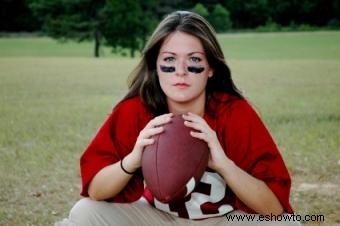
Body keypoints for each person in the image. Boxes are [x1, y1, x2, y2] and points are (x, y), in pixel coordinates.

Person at [56, 11, 301, 226]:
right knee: (85, 213)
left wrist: (223, 165)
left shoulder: (233, 113)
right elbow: (96, 192)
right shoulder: (137, 110)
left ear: (211, 68)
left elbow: (273, 210)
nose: (180, 71)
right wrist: (133, 160)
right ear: (156, 65)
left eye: (194, 60)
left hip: (225, 220)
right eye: (169, 60)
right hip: (156, 219)